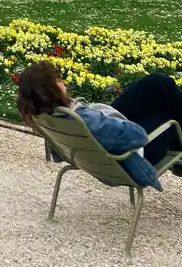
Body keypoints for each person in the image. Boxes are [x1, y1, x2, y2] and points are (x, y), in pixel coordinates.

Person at [17, 61, 182, 188]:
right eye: (58, 80)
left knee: (158, 83)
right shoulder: (87, 121)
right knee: (169, 110)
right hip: (133, 154)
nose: (63, 82)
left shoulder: (46, 117)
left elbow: (59, 154)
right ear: (52, 90)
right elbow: (137, 136)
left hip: (106, 135)